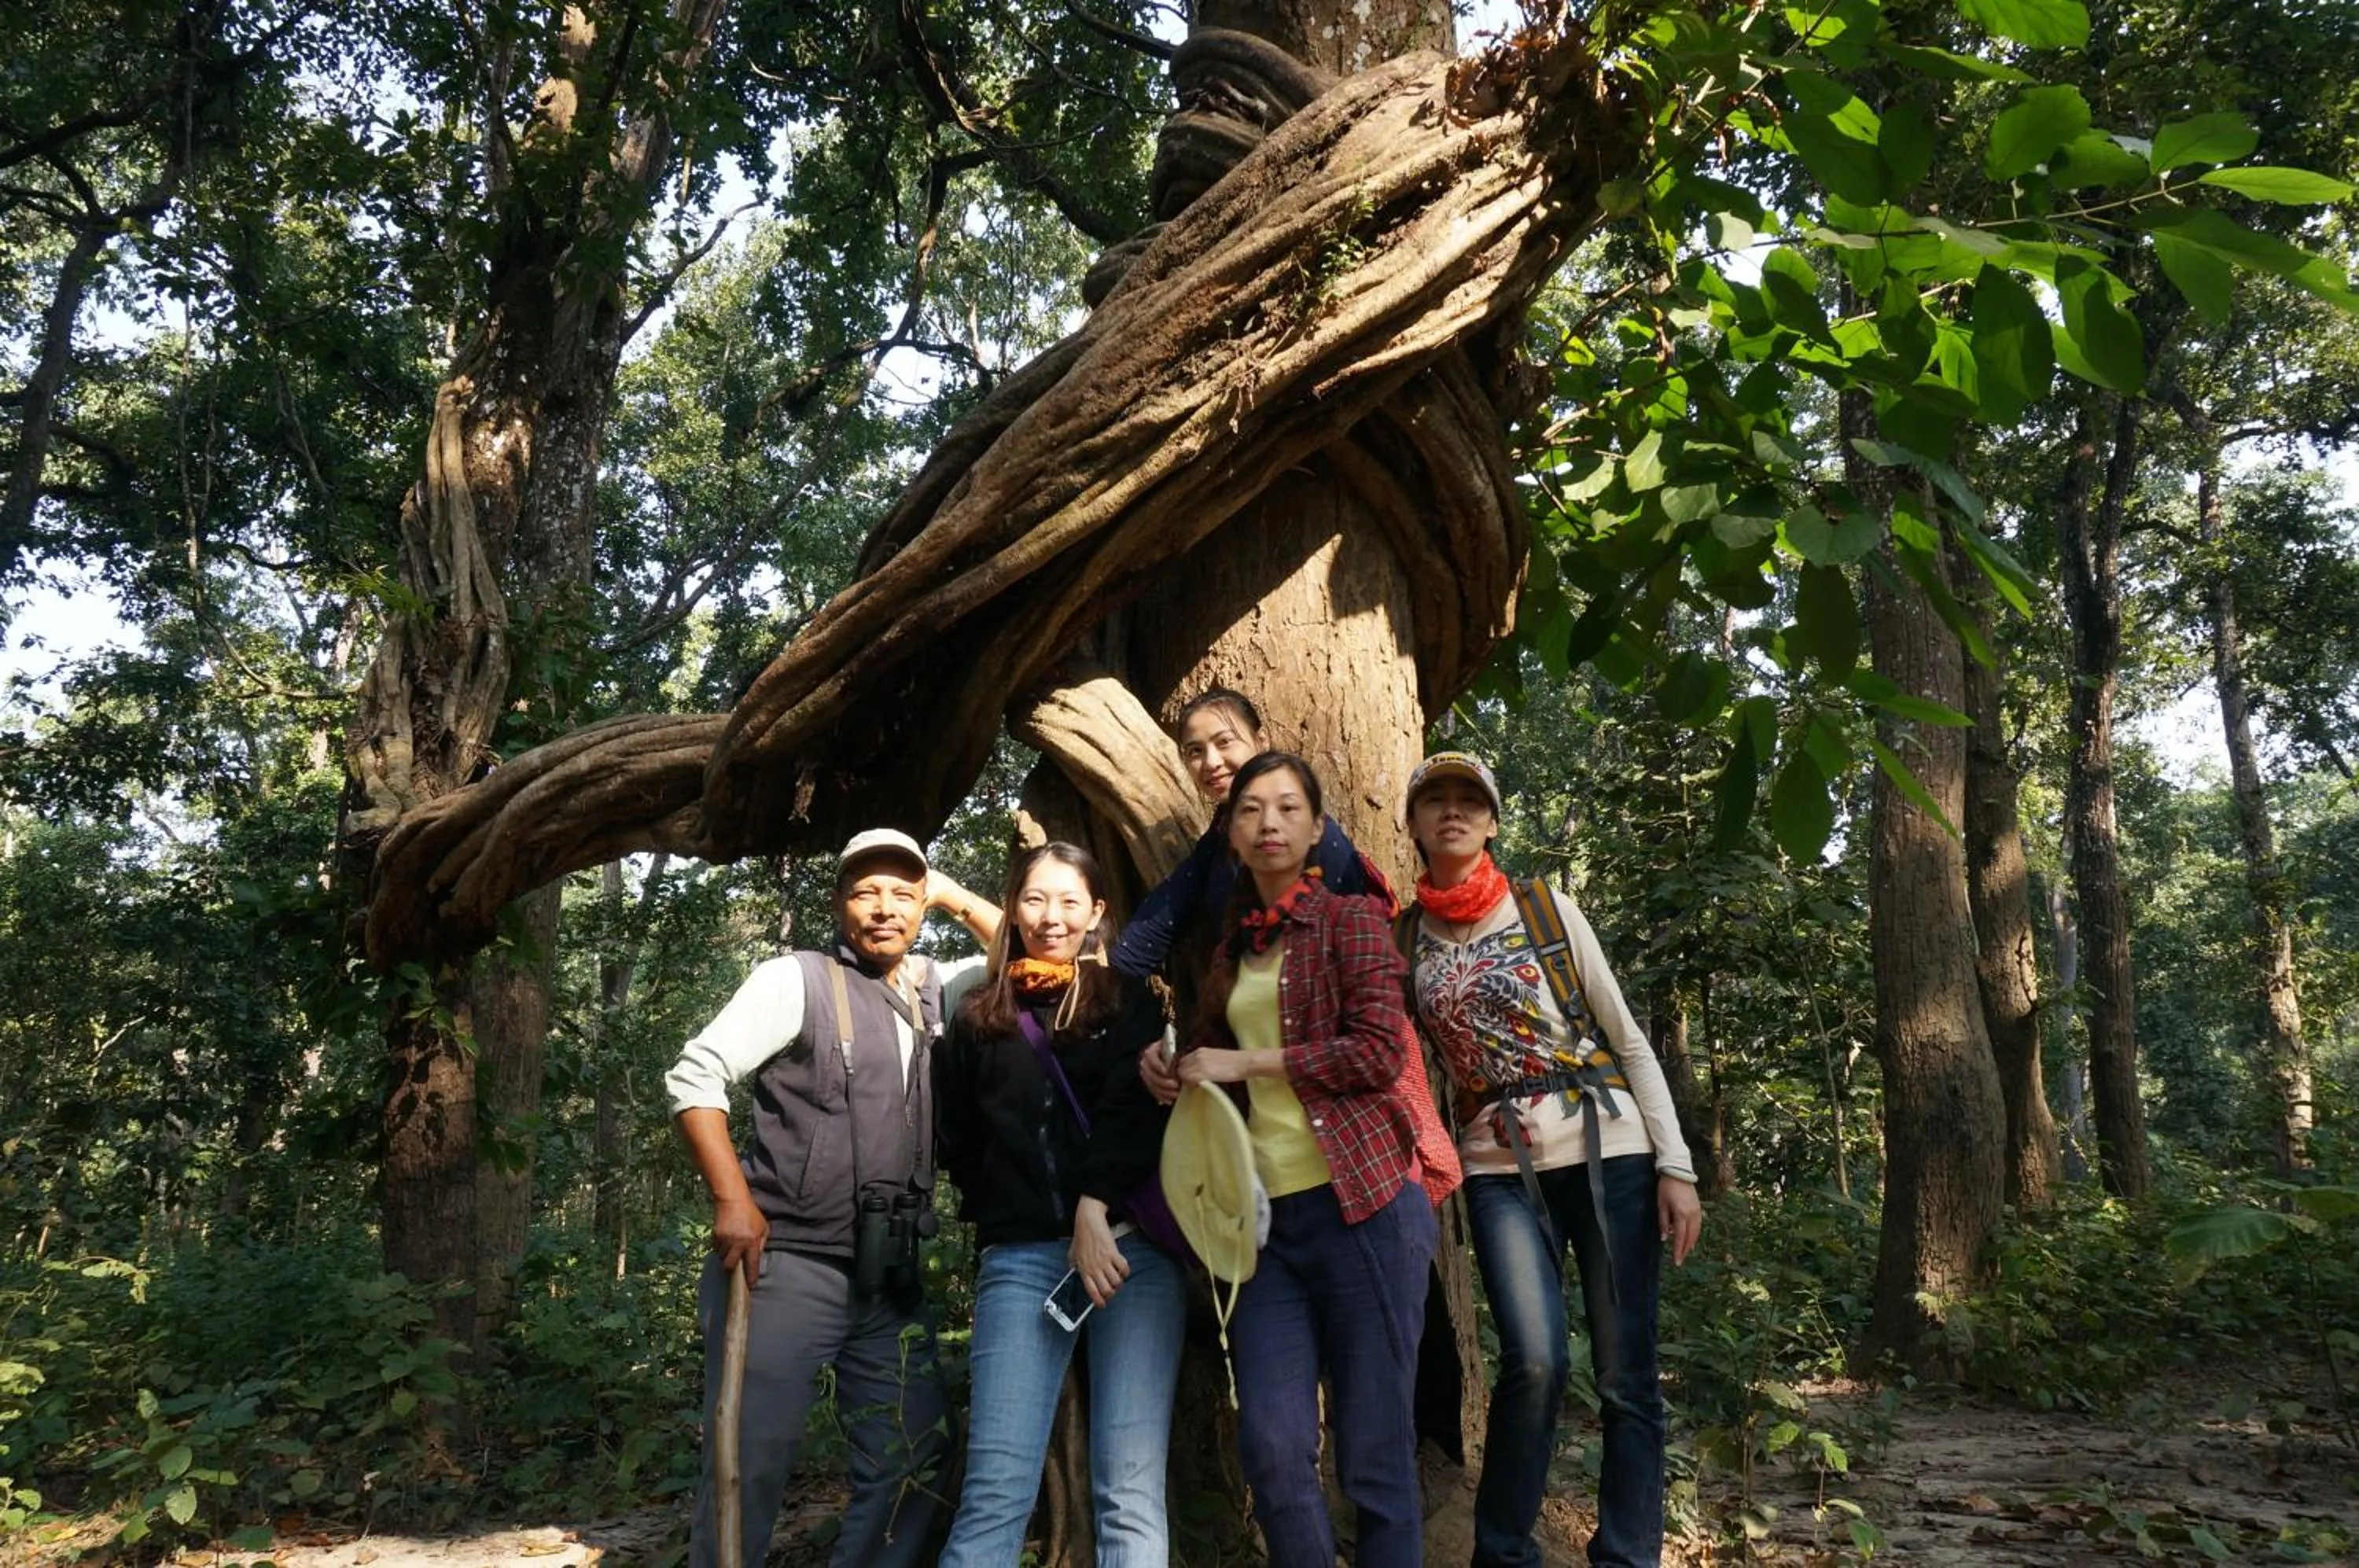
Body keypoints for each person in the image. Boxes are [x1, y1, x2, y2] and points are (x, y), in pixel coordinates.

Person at [1397, 751, 1703, 1568]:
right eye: (1436, 801)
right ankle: (1502, 1554)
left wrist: (1678, 1166)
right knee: (1532, 1359)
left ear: (1493, 820)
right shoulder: (1406, 937)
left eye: (1470, 800)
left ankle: (1627, 1555)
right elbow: (1391, 1059)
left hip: (1612, 1151)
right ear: (1416, 824)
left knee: (1624, 1373)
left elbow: (1627, 1037)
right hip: (1496, 1169)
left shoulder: (1543, 906)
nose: (1453, 812)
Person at [665, 828, 999, 1568]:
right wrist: (733, 1202)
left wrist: (948, 893)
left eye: (903, 895)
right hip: (783, 1264)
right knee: (745, 1463)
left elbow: (1036, 944)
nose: (885, 909)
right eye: (866, 892)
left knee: (917, 1453)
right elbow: (695, 1077)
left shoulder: (934, 990)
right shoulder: (797, 979)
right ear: (838, 902)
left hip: (891, 1275)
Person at [1162, 750, 1439, 1568]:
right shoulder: (1229, 952)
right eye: (1250, 810)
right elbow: (1214, 1069)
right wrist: (1174, 1068)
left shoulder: (1352, 920)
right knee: (1276, 1450)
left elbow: (1379, 1052)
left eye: (1287, 808)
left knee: (1374, 1456)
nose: (1269, 823)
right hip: (1266, 1231)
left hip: (1367, 1208)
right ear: (1232, 835)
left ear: (1317, 828)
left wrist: (1246, 1063)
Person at [933, 842, 1187, 1568]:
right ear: (1014, 905)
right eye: (1037, 900)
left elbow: (1133, 1116)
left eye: (1070, 901)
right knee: (996, 1490)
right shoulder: (979, 1015)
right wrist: (1015, 1210)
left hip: (1132, 1251)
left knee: (1129, 1494)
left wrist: (1092, 1208)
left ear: (1097, 914)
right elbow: (961, 1140)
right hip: (1024, 1260)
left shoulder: (1128, 1003)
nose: (1052, 918)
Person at [1110, 687, 1378, 979]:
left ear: (1261, 741)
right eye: (1195, 751)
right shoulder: (1221, 836)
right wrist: (1109, 981)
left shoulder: (1312, 836)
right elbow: (1168, 908)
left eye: (1224, 742)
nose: (1211, 762)